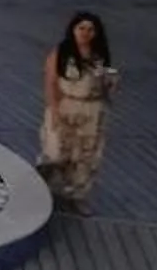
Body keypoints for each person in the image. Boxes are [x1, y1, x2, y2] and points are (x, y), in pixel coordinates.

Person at [40, 12, 117, 212]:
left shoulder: (98, 56)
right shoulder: (61, 52)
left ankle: (77, 194)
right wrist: (54, 109)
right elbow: (51, 83)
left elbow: (106, 86)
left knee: (85, 155)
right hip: (66, 104)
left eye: (90, 29)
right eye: (81, 28)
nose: (85, 33)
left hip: (92, 109)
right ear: (73, 30)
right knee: (56, 151)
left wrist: (111, 82)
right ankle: (44, 184)